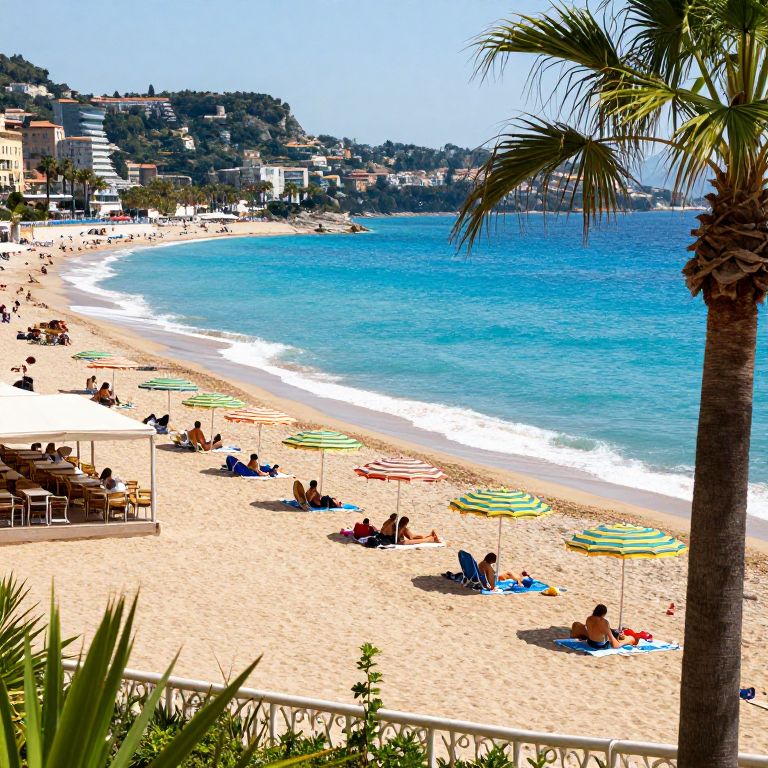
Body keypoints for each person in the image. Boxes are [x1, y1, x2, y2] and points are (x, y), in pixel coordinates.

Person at [570, 604, 638, 650]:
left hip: (590, 642)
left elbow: (593, 629)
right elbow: (614, 644)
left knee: (614, 632)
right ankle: (623, 636)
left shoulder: (589, 619)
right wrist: (622, 643)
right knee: (630, 639)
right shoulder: (604, 622)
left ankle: (618, 633)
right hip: (600, 645)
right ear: (603, 614)